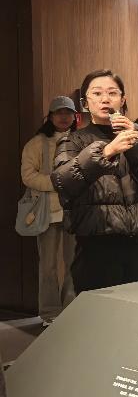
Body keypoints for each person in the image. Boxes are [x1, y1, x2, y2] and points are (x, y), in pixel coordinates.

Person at [52, 70, 138, 293]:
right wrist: (105, 152)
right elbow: (63, 182)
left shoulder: (137, 137)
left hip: (136, 241)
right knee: (97, 310)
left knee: (134, 308)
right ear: (85, 103)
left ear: (122, 100)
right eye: (97, 93)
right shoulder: (73, 139)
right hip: (95, 244)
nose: (105, 99)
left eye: (112, 93)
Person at [21, 95, 78, 325]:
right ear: (50, 116)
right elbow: (28, 176)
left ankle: (71, 308)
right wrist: (56, 183)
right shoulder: (36, 143)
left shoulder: (81, 140)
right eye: (58, 113)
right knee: (48, 265)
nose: (63, 117)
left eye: (68, 113)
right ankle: (49, 312)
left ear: (75, 116)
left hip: (75, 210)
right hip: (47, 211)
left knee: (74, 263)